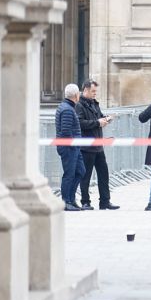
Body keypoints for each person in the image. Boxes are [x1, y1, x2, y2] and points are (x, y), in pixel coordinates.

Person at [76, 80, 119, 211]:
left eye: (96, 91)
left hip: (98, 145)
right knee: (86, 176)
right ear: (86, 90)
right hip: (87, 146)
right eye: (93, 91)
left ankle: (105, 202)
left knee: (103, 174)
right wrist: (97, 123)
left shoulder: (94, 104)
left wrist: (106, 119)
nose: (95, 94)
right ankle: (85, 202)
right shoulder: (79, 105)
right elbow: (80, 123)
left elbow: (99, 117)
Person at [54, 84, 84, 212]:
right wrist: (73, 145)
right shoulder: (67, 109)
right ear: (76, 96)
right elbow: (66, 131)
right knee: (69, 174)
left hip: (73, 146)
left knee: (80, 171)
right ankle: (66, 201)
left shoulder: (69, 107)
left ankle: (71, 199)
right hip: (69, 147)